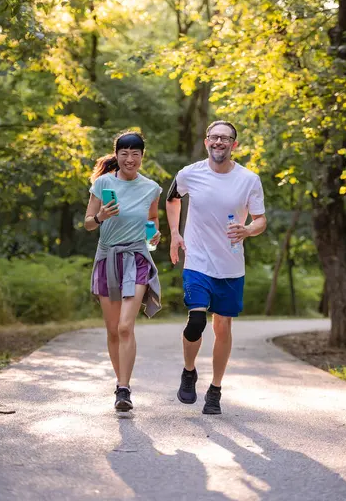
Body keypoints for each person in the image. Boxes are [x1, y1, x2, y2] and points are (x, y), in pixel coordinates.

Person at [166, 120, 266, 415]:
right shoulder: (189, 174)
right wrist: (175, 233)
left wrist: (248, 230)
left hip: (231, 265)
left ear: (234, 145)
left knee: (222, 327)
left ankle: (216, 389)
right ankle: (188, 371)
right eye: (214, 137)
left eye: (226, 138)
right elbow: (172, 198)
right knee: (196, 321)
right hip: (197, 260)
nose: (219, 142)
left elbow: (260, 219)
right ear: (206, 140)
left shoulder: (249, 179)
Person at [84, 130, 162, 412]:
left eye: (136, 154)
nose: (130, 159)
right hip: (107, 259)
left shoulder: (151, 188)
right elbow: (88, 224)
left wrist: (154, 235)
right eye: (124, 153)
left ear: (142, 156)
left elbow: (152, 219)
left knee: (126, 326)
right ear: (116, 156)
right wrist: (101, 216)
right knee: (113, 330)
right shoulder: (103, 183)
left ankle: (124, 389)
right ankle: (120, 382)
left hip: (137, 258)